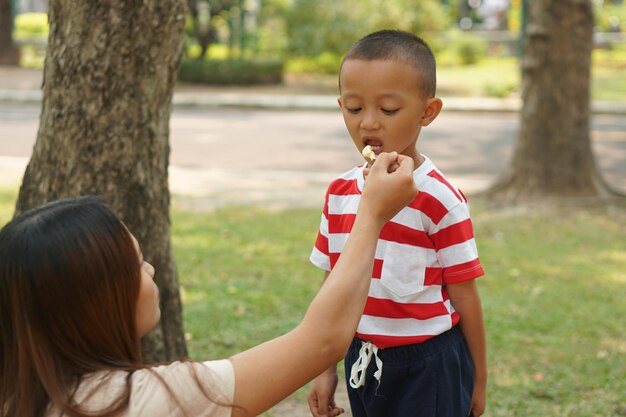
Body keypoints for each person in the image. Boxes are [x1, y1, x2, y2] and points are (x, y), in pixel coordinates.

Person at [0, 152, 417, 417]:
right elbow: (321, 342)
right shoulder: (143, 400)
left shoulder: (19, 395)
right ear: (95, 304)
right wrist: (372, 215)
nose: (151, 271)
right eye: (136, 264)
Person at [307, 30, 487, 417]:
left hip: (429, 365)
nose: (368, 123)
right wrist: (323, 369)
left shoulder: (440, 200)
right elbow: (332, 288)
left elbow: (465, 296)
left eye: (388, 110)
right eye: (354, 109)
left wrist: (479, 377)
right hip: (362, 359)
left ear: (428, 111)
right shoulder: (339, 193)